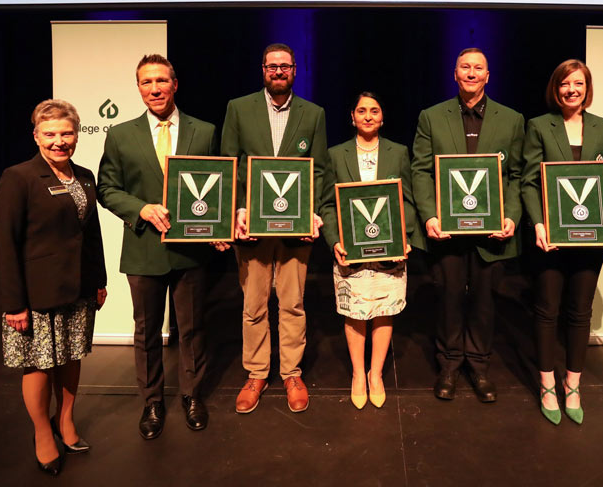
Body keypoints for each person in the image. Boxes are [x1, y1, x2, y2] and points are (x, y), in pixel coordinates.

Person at [97, 54, 216, 439]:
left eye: (161, 81)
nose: (155, 88)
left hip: (189, 248)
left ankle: (192, 395)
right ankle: (152, 401)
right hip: (143, 248)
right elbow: (106, 188)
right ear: (138, 87)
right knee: (146, 332)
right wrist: (141, 208)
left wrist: (216, 223)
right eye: (147, 82)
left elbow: (219, 184)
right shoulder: (120, 134)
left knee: (193, 328)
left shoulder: (204, 131)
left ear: (175, 84)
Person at [0, 99, 107, 476]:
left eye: (66, 133)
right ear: (37, 136)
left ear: (76, 135)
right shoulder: (19, 177)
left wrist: (99, 281)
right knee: (39, 364)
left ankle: (66, 421)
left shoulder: (86, 176)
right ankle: (43, 432)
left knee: (72, 357)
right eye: (51, 134)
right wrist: (13, 303)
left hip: (78, 289)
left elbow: (92, 234)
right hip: (35, 294)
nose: (60, 141)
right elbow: (5, 243)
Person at [411, 48, 524, 402]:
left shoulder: (511, 119)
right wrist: (429, 215)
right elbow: (420, 170)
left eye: (478, 68)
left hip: (491, 232)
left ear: (488, 76)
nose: (471, 73)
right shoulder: (431, 117)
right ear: (454, 74)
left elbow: (517, 175)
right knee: (447, 297)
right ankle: (449, 364)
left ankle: (478, 365)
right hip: (447, 232)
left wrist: (511, 216)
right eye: (465, 67)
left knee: (485, 300)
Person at [220, 43, 328, 414]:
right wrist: (237, 210)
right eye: (272, 66)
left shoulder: (313, 114)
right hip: (253, 228)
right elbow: (230, 165)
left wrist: (312, 213)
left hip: (294, 227)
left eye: (285, 66)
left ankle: (291, 372)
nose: (278, 72)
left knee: (293, 303)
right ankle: (256, 373)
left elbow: (320, 171)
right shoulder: (239, 108)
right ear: (262, 70)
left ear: (295, 70)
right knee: (253, 304)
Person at [520, 59, 603, 425]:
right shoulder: (538, 126)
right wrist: (537, 223)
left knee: (581, 311)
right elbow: (530, 182)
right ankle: (547, 383)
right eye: (565, 83)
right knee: (547, 308)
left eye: (578, 83)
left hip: (591, 236)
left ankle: (573, 383)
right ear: (556, 88)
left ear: (587, 88)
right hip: (551, 236)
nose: (572, 90)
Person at [318, 92, 418, 409]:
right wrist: (334, 240)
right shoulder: (335, 155)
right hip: (351, 250)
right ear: (352, 117)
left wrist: (403, 236)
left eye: (375, 110)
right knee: (355, 311)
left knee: (384, 310)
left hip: (389, 250)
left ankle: (376, 374)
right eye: (362, 111)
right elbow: (327, 204)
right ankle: (358, 375)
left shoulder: (399, 152)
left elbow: (408, 201)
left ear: (383, 117)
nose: (368, 116)